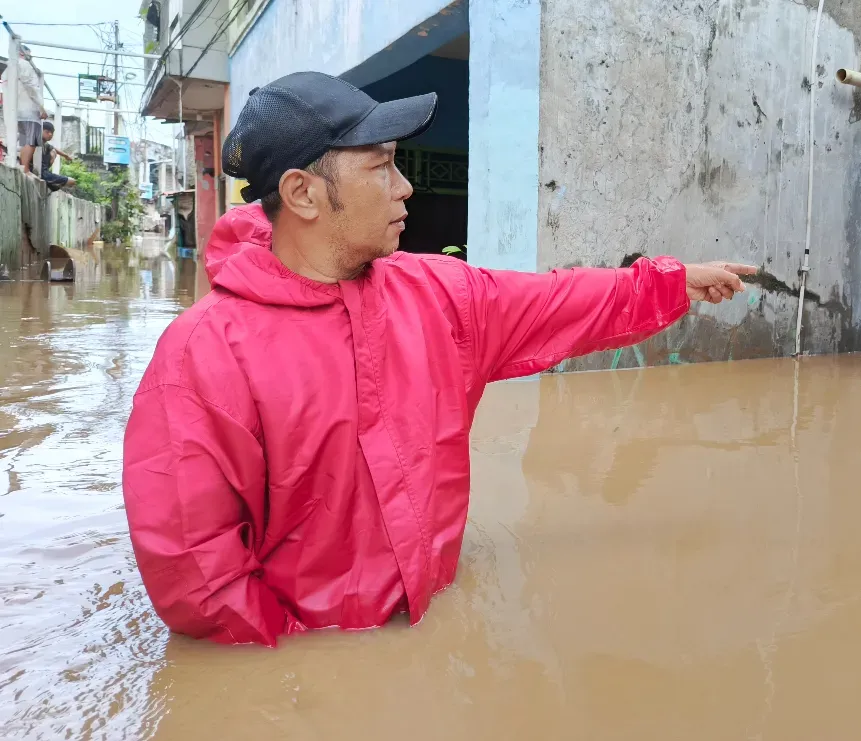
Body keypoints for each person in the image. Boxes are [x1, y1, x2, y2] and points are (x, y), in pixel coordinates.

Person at [122, 71, 756, 647]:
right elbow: (198, 581)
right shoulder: (202, 357)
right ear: (304, 194)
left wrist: (673, 283)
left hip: (436, 626)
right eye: (381, 167)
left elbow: (558, 301)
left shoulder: (439, 297)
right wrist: (325, 672)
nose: (406, 186)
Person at [7, 45, 48, 175]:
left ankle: (22, 167)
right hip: (28, 110)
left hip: (15, 110)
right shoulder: (25, 65)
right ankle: (24, 169)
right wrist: (41, 107)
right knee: (32, 141)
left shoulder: (9, 67)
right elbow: (31, 87)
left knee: (25, 140)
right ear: (22, 53)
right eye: (29, 54)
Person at [38, 121, 75, 191]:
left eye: (52, 133)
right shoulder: (36, 141)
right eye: (47, 132)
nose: (50, 134)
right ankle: (50, 182)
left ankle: (52, 183)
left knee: (53, 151)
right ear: (40, 130)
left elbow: (55, 149)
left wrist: (66, 156)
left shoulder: (45, 145)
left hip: (45, 172)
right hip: (42, 173)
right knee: (72, 181)